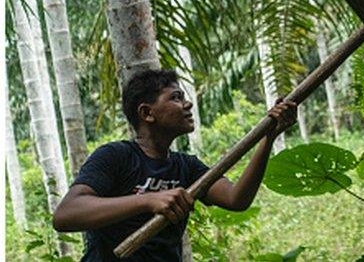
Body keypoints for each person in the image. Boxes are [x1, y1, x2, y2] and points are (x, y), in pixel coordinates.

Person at [53, 69, 297, 261]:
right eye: (176, 98)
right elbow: (66, 215)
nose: (187, 105)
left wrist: (269, 138)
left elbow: (236, 199)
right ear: (147, 113)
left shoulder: (186, 167)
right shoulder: (116, 156)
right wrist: (148, 200)